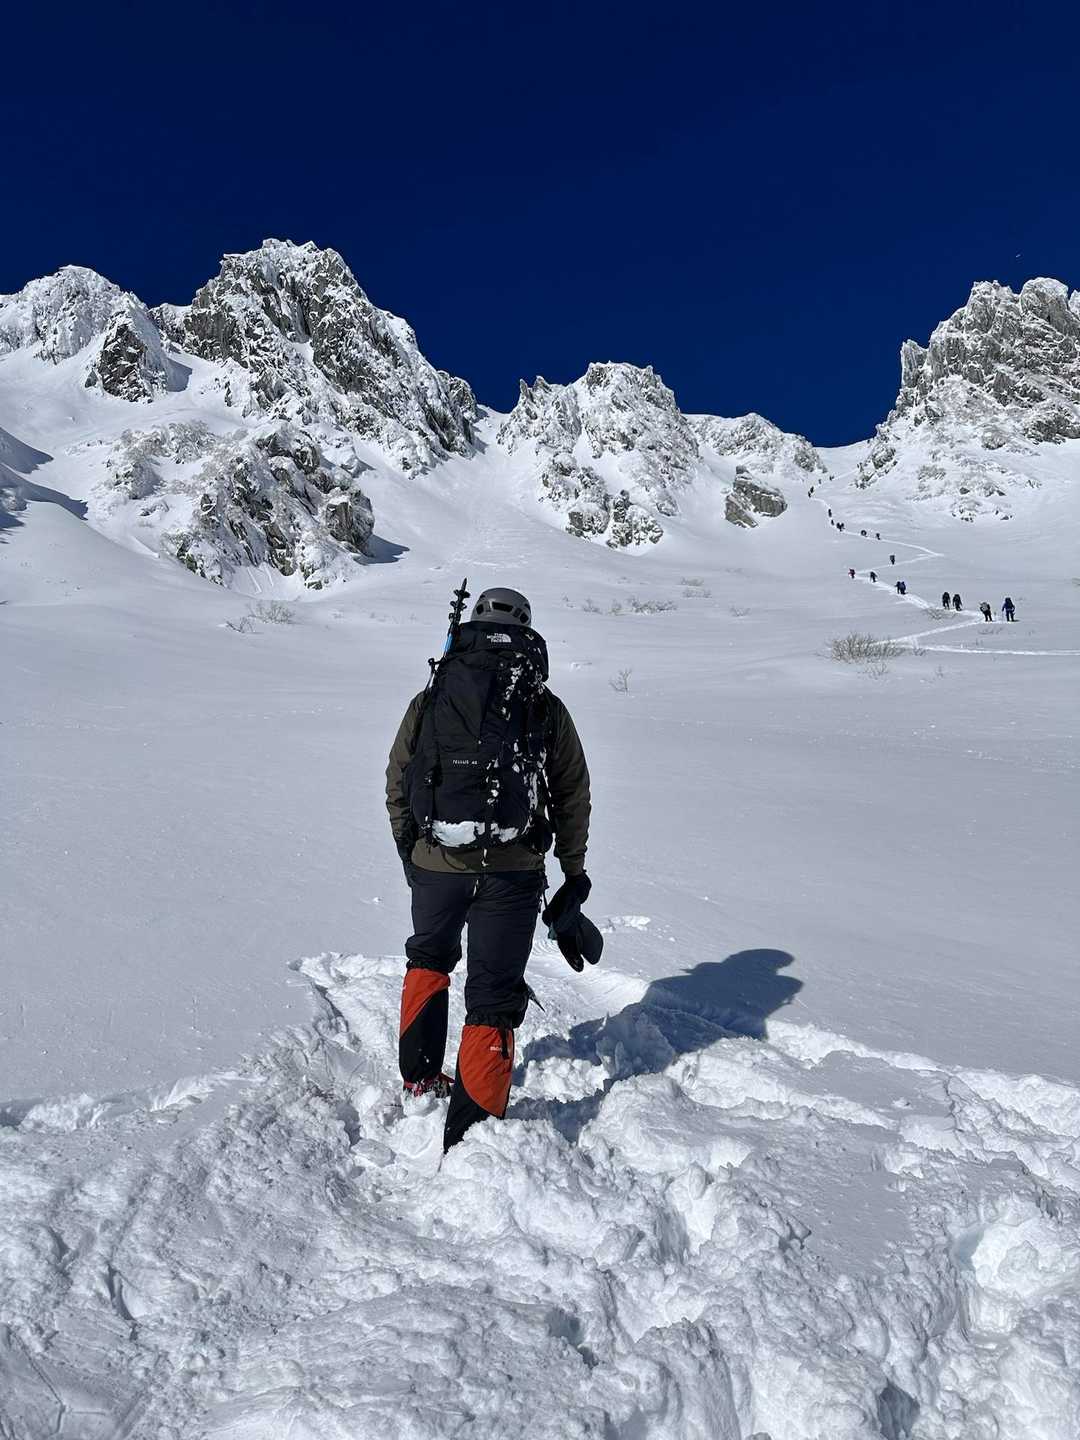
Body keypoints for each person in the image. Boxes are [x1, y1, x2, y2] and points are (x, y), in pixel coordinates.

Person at [386, 586, 592, 1151]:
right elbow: (571, 792)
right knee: (494, 995)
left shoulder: (433, 695)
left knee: (429, 959)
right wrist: (573, 872)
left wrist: (412, 850)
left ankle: (420, 1079)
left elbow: (399, 776)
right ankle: (472, 1139)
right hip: (513, 872)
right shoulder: (542, 703)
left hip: (436, 864)